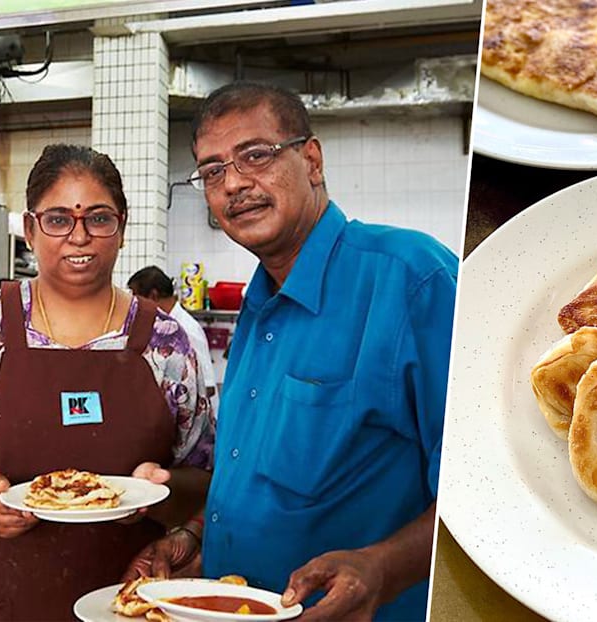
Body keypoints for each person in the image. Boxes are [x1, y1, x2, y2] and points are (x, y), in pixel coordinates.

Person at [129, 82, 458, 620]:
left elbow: (480, 488)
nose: (234, 183)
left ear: (311, 159)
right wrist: (195, 538)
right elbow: (254, 477)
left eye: (255, 155)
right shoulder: (258, 309)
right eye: (212, 171)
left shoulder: (410, 279)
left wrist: (382, 568)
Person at [0, 144, 214, 621]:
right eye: (59, 219)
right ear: (30, 229)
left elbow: (207, 480)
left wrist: (164, 490)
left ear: (121, 229)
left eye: (98, 219)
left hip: (125, 600)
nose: (78, 237)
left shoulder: (167, 344)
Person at [127, 265, 218, 398]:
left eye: (137, 299)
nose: (135, 306)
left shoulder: (187, 328)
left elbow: (208, 386)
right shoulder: (161, 325)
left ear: (153, 296)